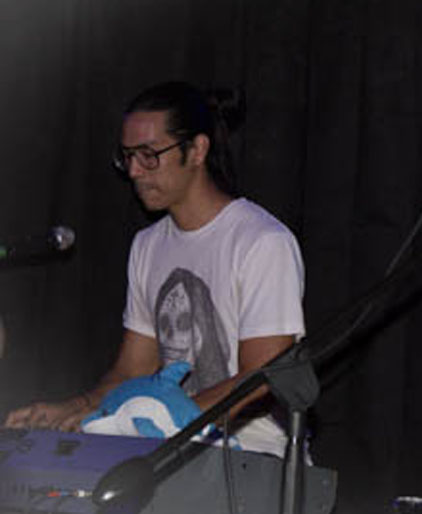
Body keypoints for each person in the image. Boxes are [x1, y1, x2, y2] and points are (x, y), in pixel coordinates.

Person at [4, 81, 305, 458]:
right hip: (170, 444)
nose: (133, 171)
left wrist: (166, 417)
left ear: (197, 150)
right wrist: (76, 407)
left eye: (148, 155)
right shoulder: (147, 245)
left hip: (255, 455)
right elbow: (133, 369)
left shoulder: (261, 241)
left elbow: (263, 377)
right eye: (126, 156)